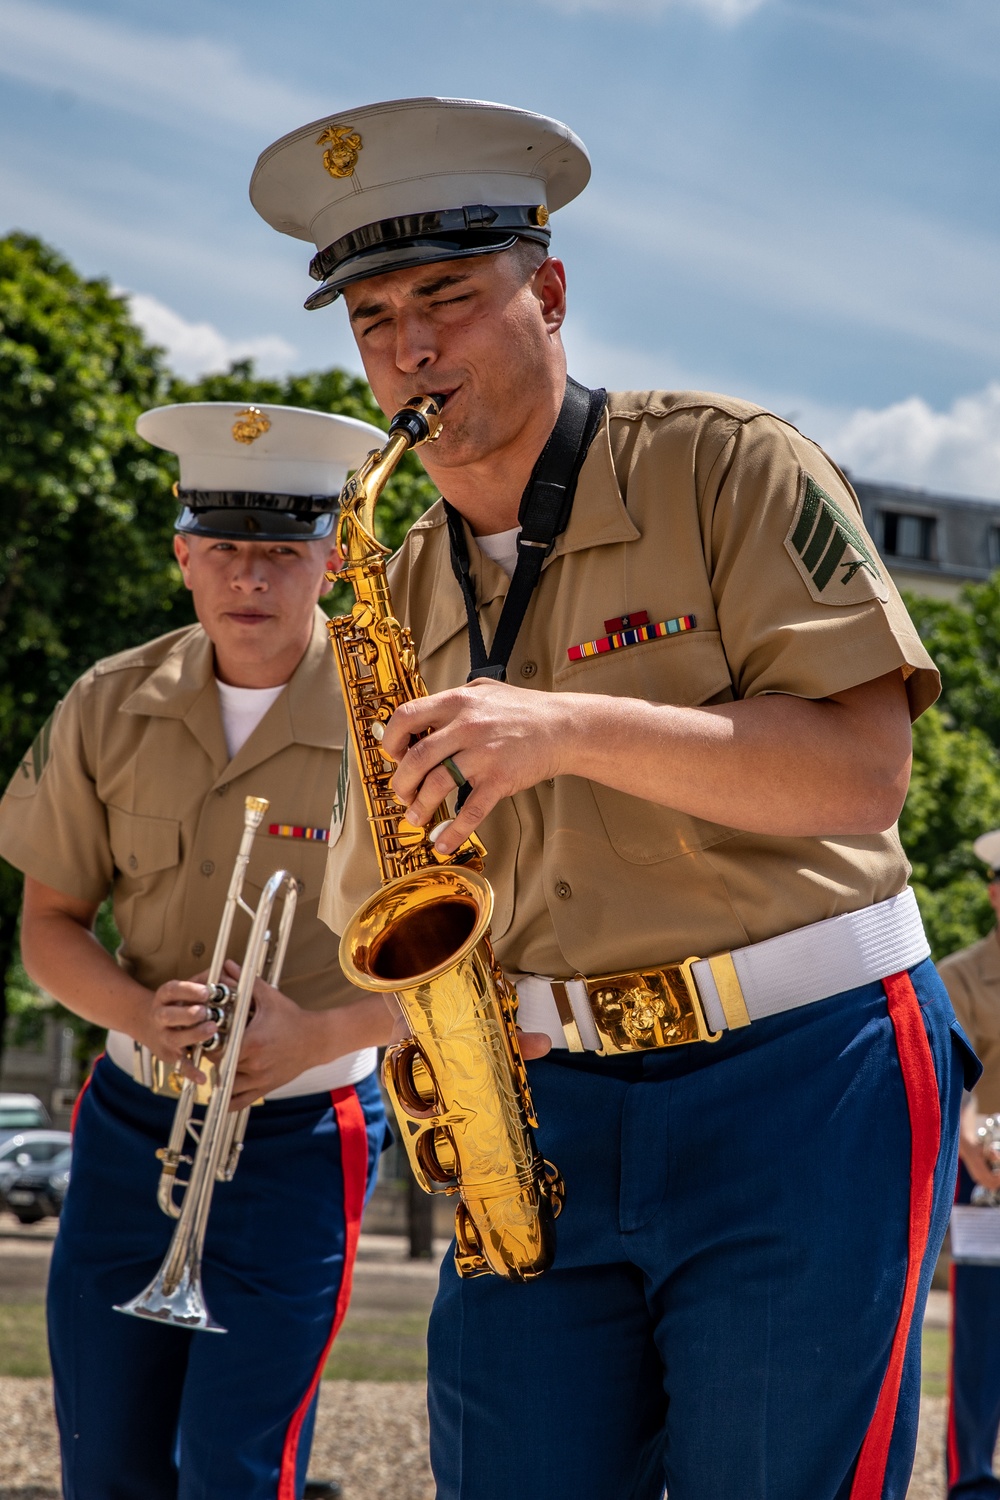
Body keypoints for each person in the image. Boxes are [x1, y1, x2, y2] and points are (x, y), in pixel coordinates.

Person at [251, 98, 979, 1500]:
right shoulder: (389, 579)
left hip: (802, 1077)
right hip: (545, 1114)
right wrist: (426, 1047)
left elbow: (861, 774)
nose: (409, 349)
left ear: (553, 292)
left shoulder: (731, 464)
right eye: (374, 316)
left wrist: (571, 726)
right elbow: (384, 889)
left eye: (450, 300)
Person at [0, 400, 395, 1500]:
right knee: (104, 1463)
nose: (250, 578)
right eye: (223, 547)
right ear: (182, 557)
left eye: (281, 549)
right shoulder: (107, 703)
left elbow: (470, 962)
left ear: (330, 563)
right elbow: (50, 925)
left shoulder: (394, 724)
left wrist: (323, 1030)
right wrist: (137, 1013)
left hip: (306, 1134)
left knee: (237, 1467)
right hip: (134, 1125)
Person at [939, 829, 1000, 1500]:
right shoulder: (959, 975)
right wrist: (971, 1149)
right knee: (982, 1335)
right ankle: (975, 1481)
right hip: (986, 1174)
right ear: (993, 894)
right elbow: (955, 1075)